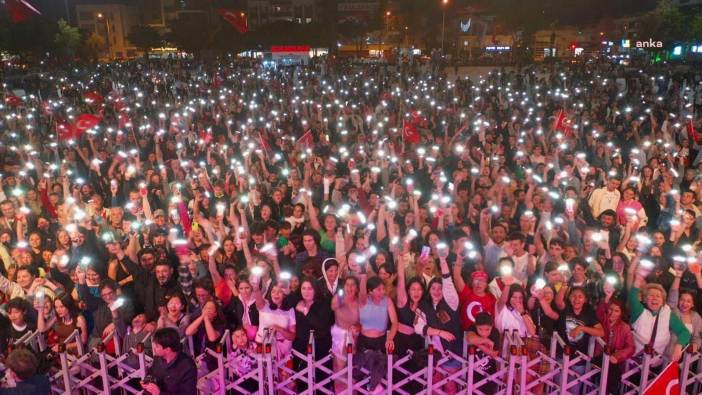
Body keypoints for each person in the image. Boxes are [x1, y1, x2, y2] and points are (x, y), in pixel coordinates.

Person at [141, 327, 197, 395]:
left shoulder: (187, 366)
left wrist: (159, 393)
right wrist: (146, 381)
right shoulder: (158, 359)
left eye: (157, 346)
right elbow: (151, 373)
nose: (154, 348)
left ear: (167, 349)